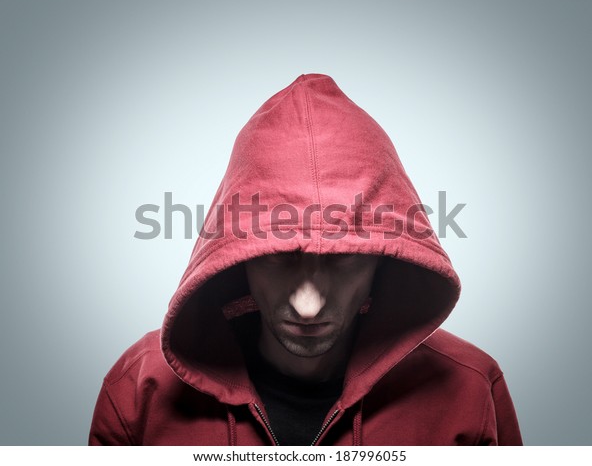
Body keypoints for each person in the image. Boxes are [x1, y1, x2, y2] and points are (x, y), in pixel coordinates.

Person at [89, 73, 522, 445]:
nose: (308, 305)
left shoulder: (469, 388)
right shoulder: (139, 390)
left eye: (343, 259)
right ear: (238, 258)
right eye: (279, 258)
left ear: (384, 259)